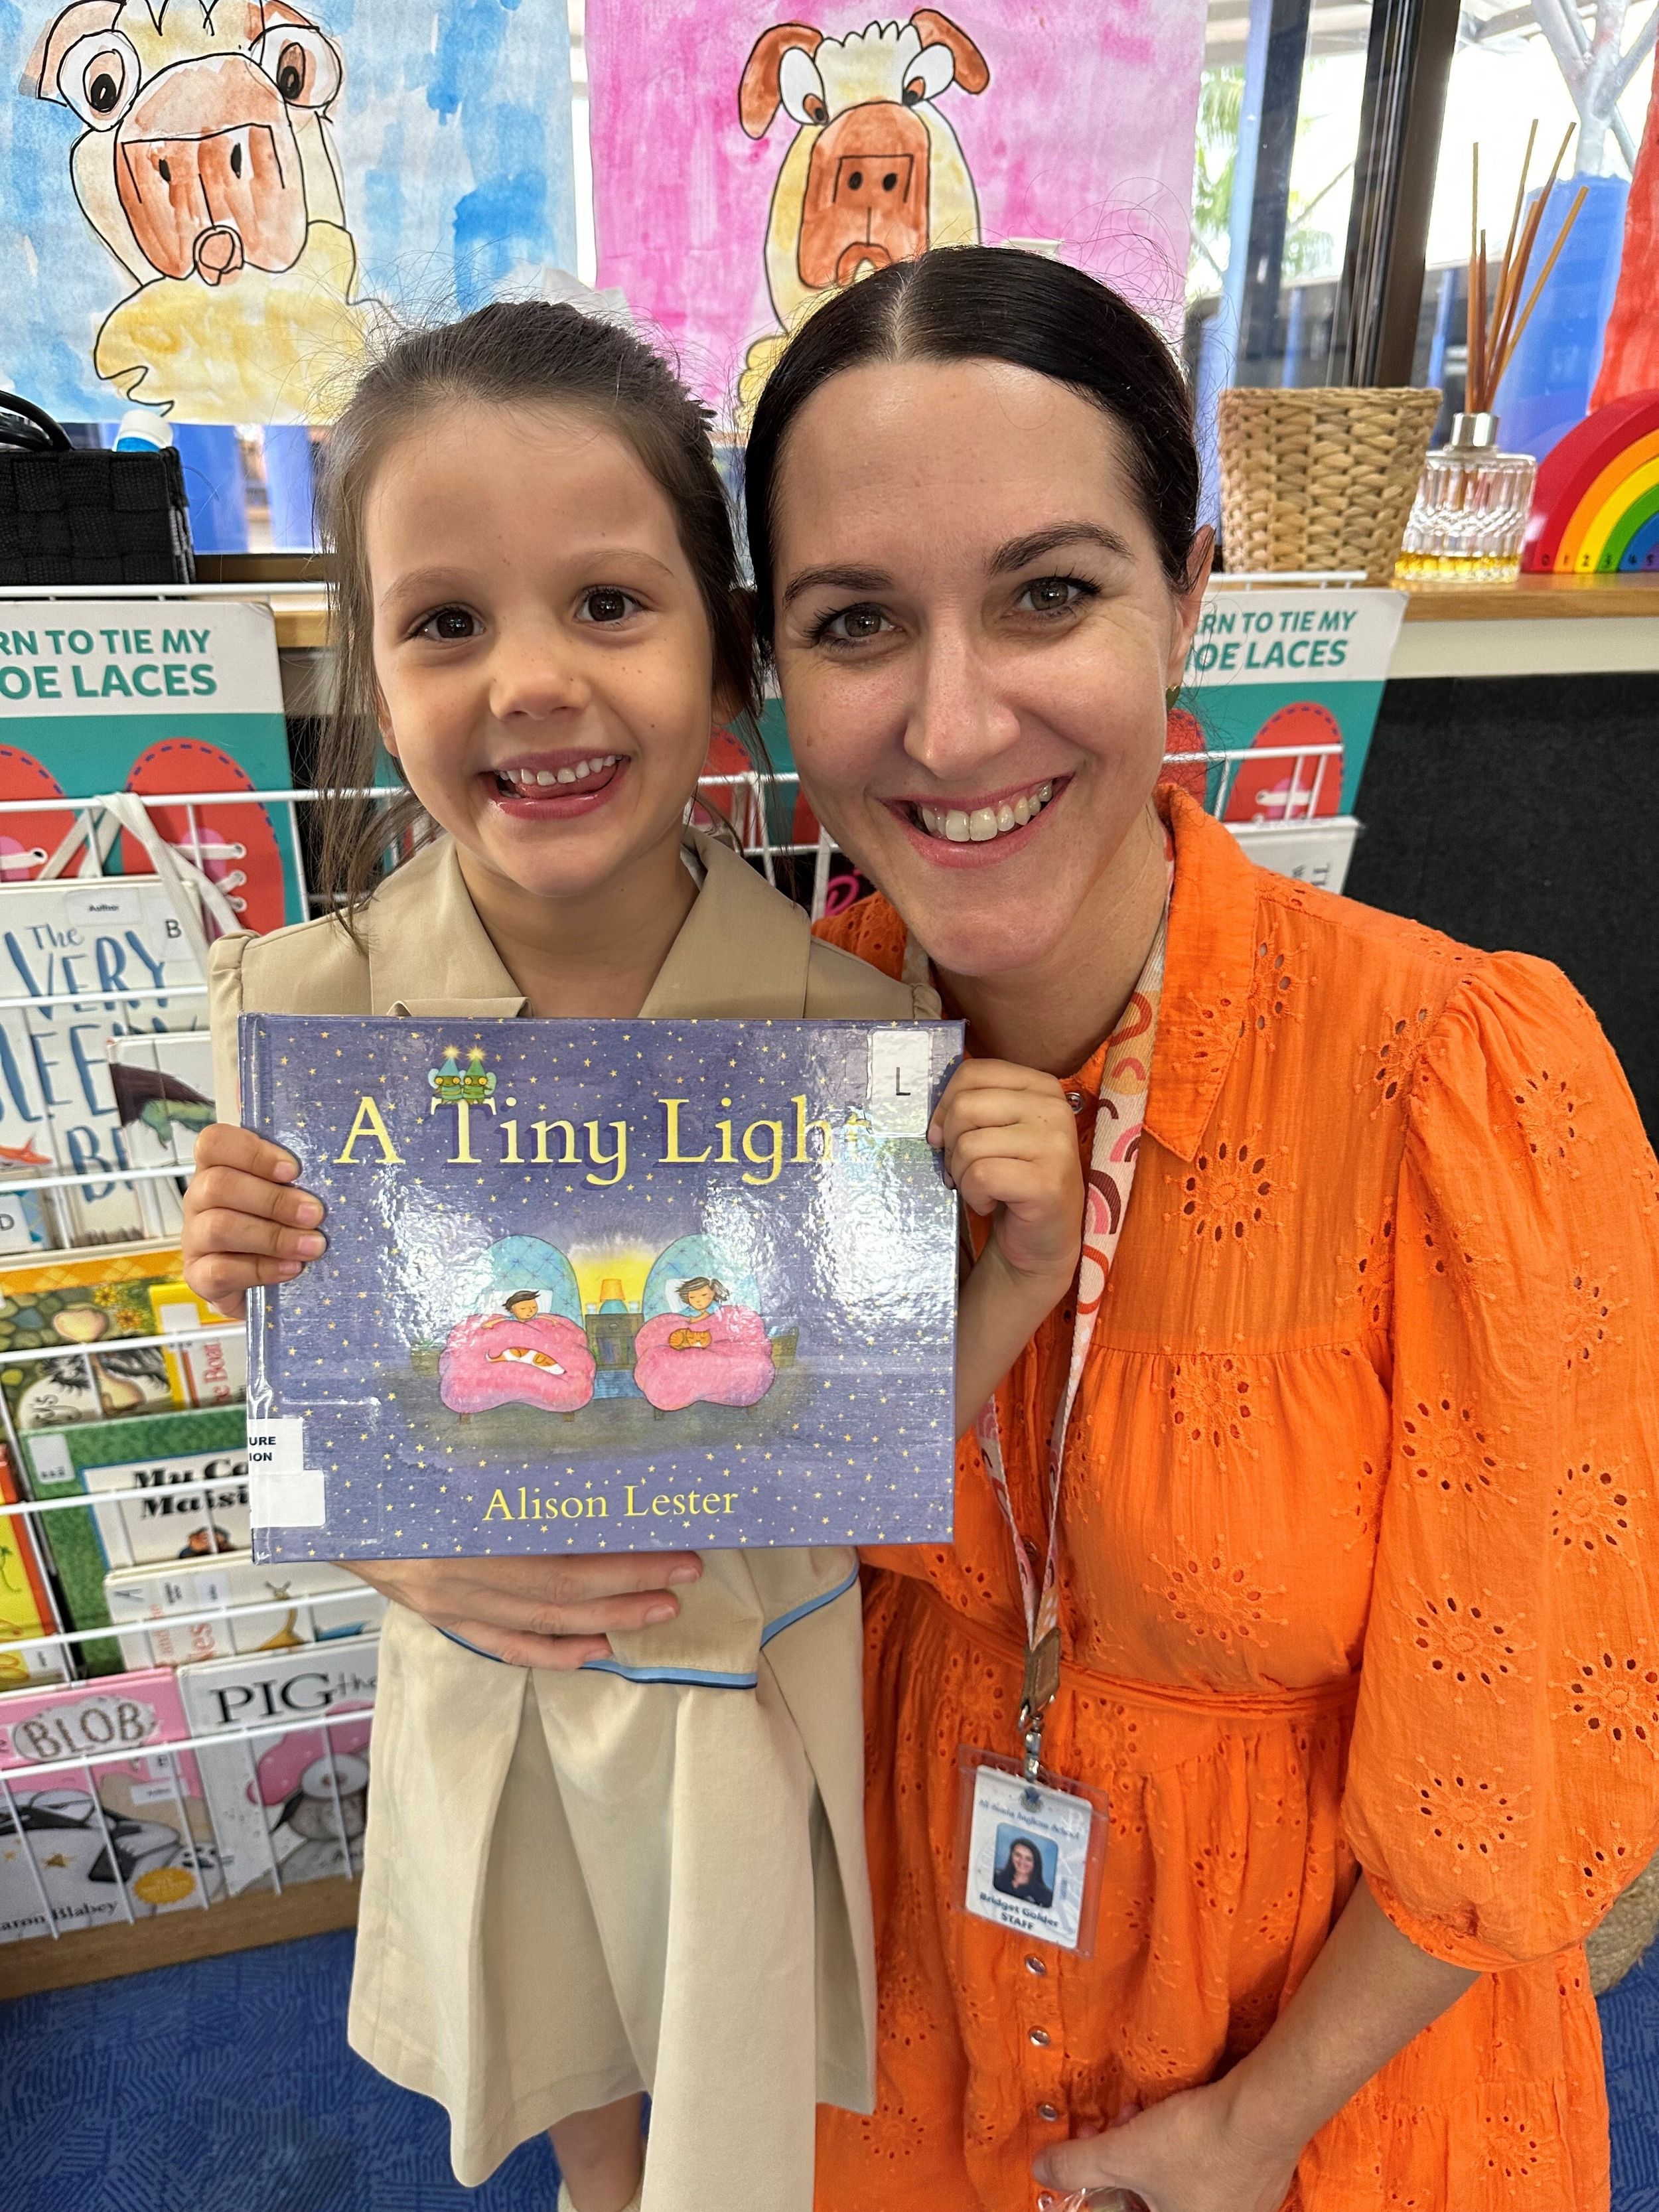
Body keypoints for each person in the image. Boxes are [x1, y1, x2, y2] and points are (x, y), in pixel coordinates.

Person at [737, 247, 1659, 2211]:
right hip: (893, 2040)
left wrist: (1252, 2129)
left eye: (1048, 594)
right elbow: (683, 1555)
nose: (952, 722)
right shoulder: (776, 1051)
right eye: (855, 622)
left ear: (1190, 603)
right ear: (776, 669)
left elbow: (1514, 1743)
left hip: (1316, 2096)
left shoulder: (1455, 1080)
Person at [180, 296, 1080, 2212]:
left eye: (607, 602)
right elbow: (292, 1425)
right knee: (581, 2106)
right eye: (444, 622)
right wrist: (263, 1326)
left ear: (725, 652)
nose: (530, 681)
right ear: (371, 670)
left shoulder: (852, 1034)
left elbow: (860, 1446)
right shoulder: (306, 1014)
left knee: (740, 2118)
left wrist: (1016, 1260)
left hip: (745, 1701)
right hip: (488, 1692)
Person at [992, 1836, 1053, 1912]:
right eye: (1018, 1855)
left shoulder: (1046, 1896)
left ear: (1036, 1863)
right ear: (1011, 1855)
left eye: (1028, 1859)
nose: (1022, 1862)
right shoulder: (995, 1877)